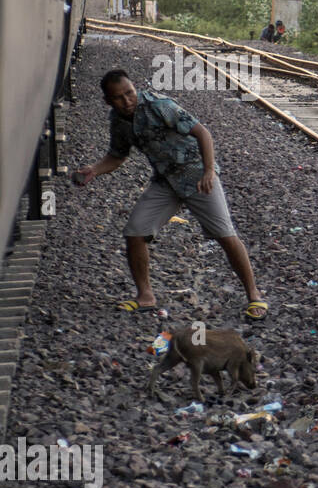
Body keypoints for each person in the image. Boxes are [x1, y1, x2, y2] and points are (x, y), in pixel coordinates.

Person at [74, 69, 269, 320]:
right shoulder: (118, 121)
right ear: (108, 101)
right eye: (118, 98)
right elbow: (117, 156)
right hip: (166, 181)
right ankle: (145, 296)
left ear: (135, 88)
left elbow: (203, 133)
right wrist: (94, 170)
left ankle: (254, 295)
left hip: (197, 176)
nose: (127, 101)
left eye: (129, 93)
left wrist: (209, 171)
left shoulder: (159, 105)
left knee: (225, 234)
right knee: (135, 231)